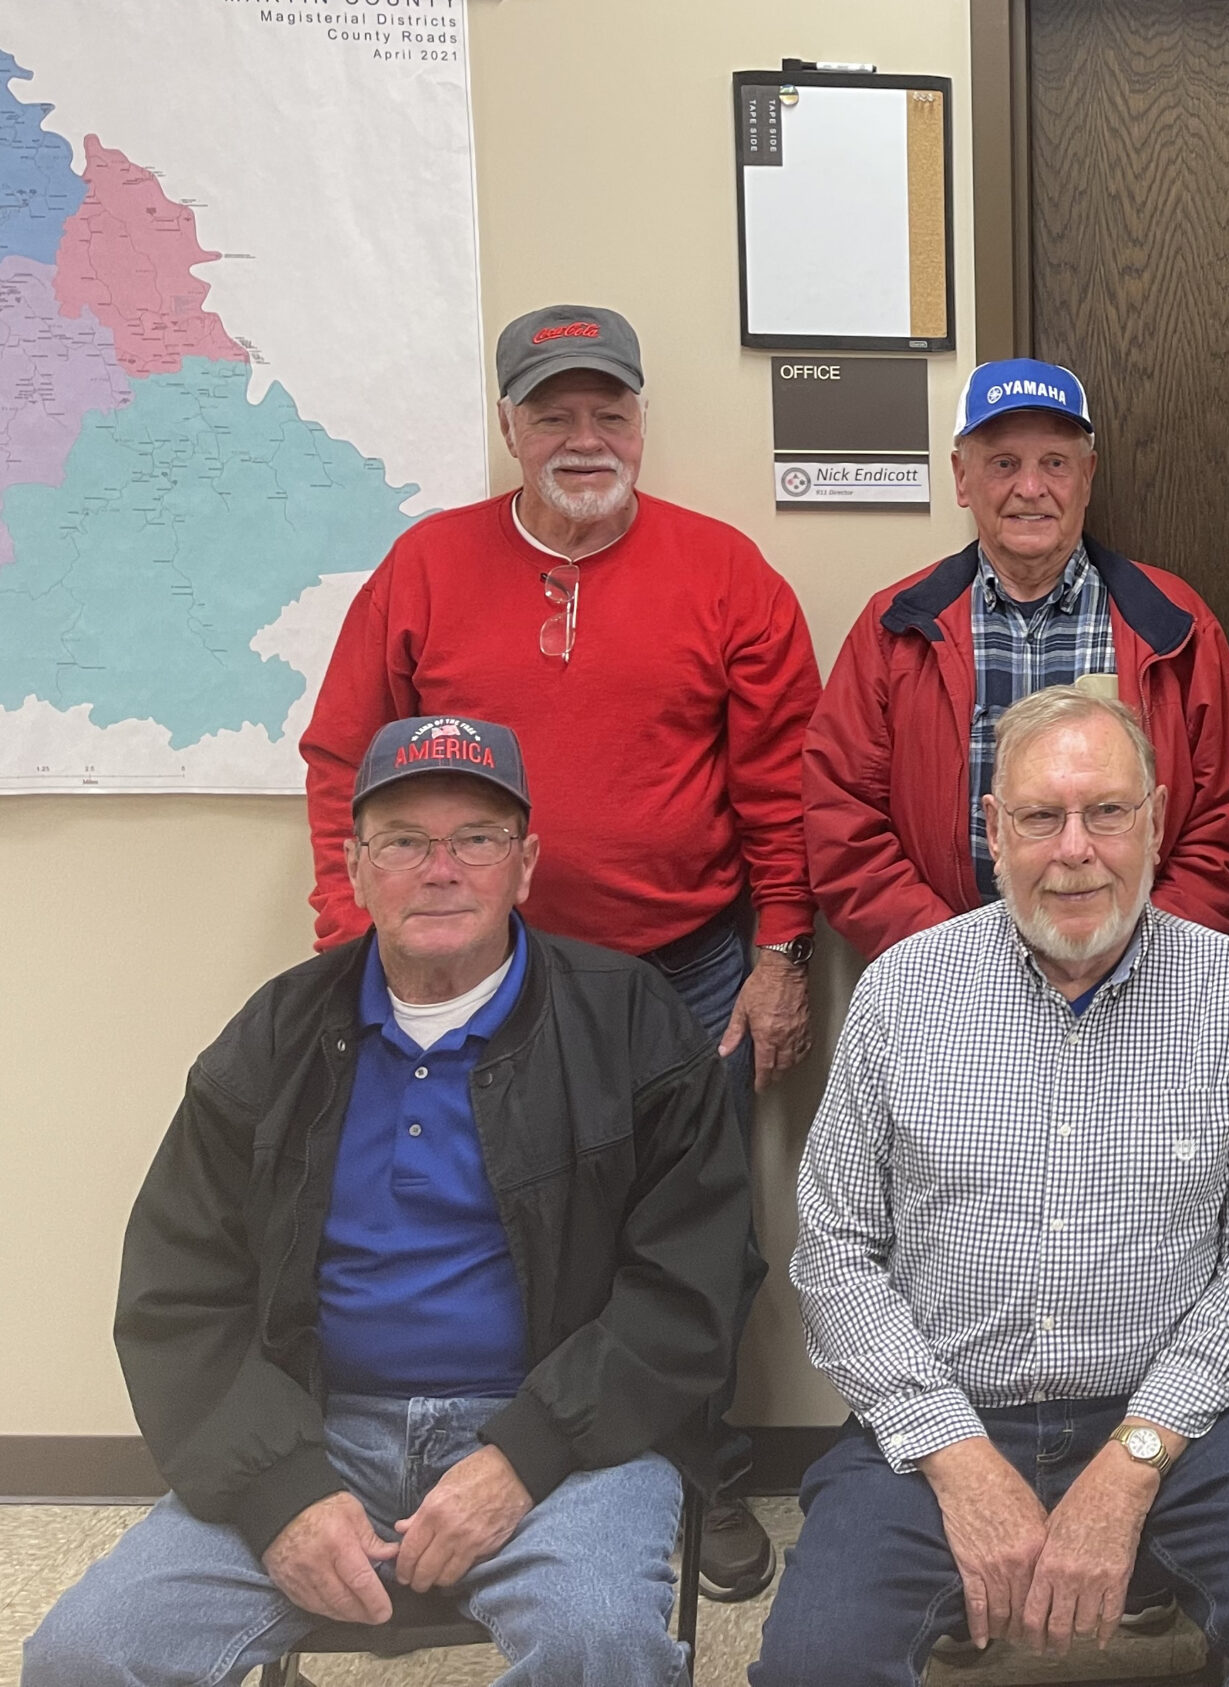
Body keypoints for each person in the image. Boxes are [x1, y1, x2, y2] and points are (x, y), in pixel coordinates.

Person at [25, 716, 760, 1687]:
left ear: (526, 864)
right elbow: (178, 1295)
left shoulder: (630, 1023)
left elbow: (692, 1282)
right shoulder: (273, 1037)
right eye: (404, 839)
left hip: (564, 1436)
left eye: (477, 838)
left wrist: (521, 1455)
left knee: (599, 1644)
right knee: (82, 1652)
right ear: (357, 866)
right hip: (314, 1428)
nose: (440, 868)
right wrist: (281, 1490)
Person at [299, 304, 822, 1595]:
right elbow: (338, 763)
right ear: (508, 427)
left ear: (642, 419)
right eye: (553, 411)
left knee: (696, 1240)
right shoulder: (424, 568)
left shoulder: (727, 574)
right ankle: (495, 1473)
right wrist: (349, 935)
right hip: (475, 976)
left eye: (608, 409)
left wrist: (780, 951)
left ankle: (697, 1469)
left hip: (676, 975)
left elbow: (783, 783)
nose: (584, 436)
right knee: (509, 1230)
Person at [757, 687, 1229, 1686]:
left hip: (1175, 1416)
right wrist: (955, 1455)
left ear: (1158, 822)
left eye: (1108, 812)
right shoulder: (903, 990)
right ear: (994, 830)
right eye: (1041, 816)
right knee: (811, 1658)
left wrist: (1133, 1459)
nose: (1075, 848)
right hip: (942, 1407)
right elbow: (832, 1248)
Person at [804, 357, 1229, 959]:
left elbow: (1225, 822)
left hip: (1137, 981)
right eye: (1003, 464)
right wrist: (947, 960)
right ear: (961, 478)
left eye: (1054, 463)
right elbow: (843, 819)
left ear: (1087, 476)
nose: (1030, 488)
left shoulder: (1174, 625)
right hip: (951, 985)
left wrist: (1142, 960)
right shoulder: (895, 630)